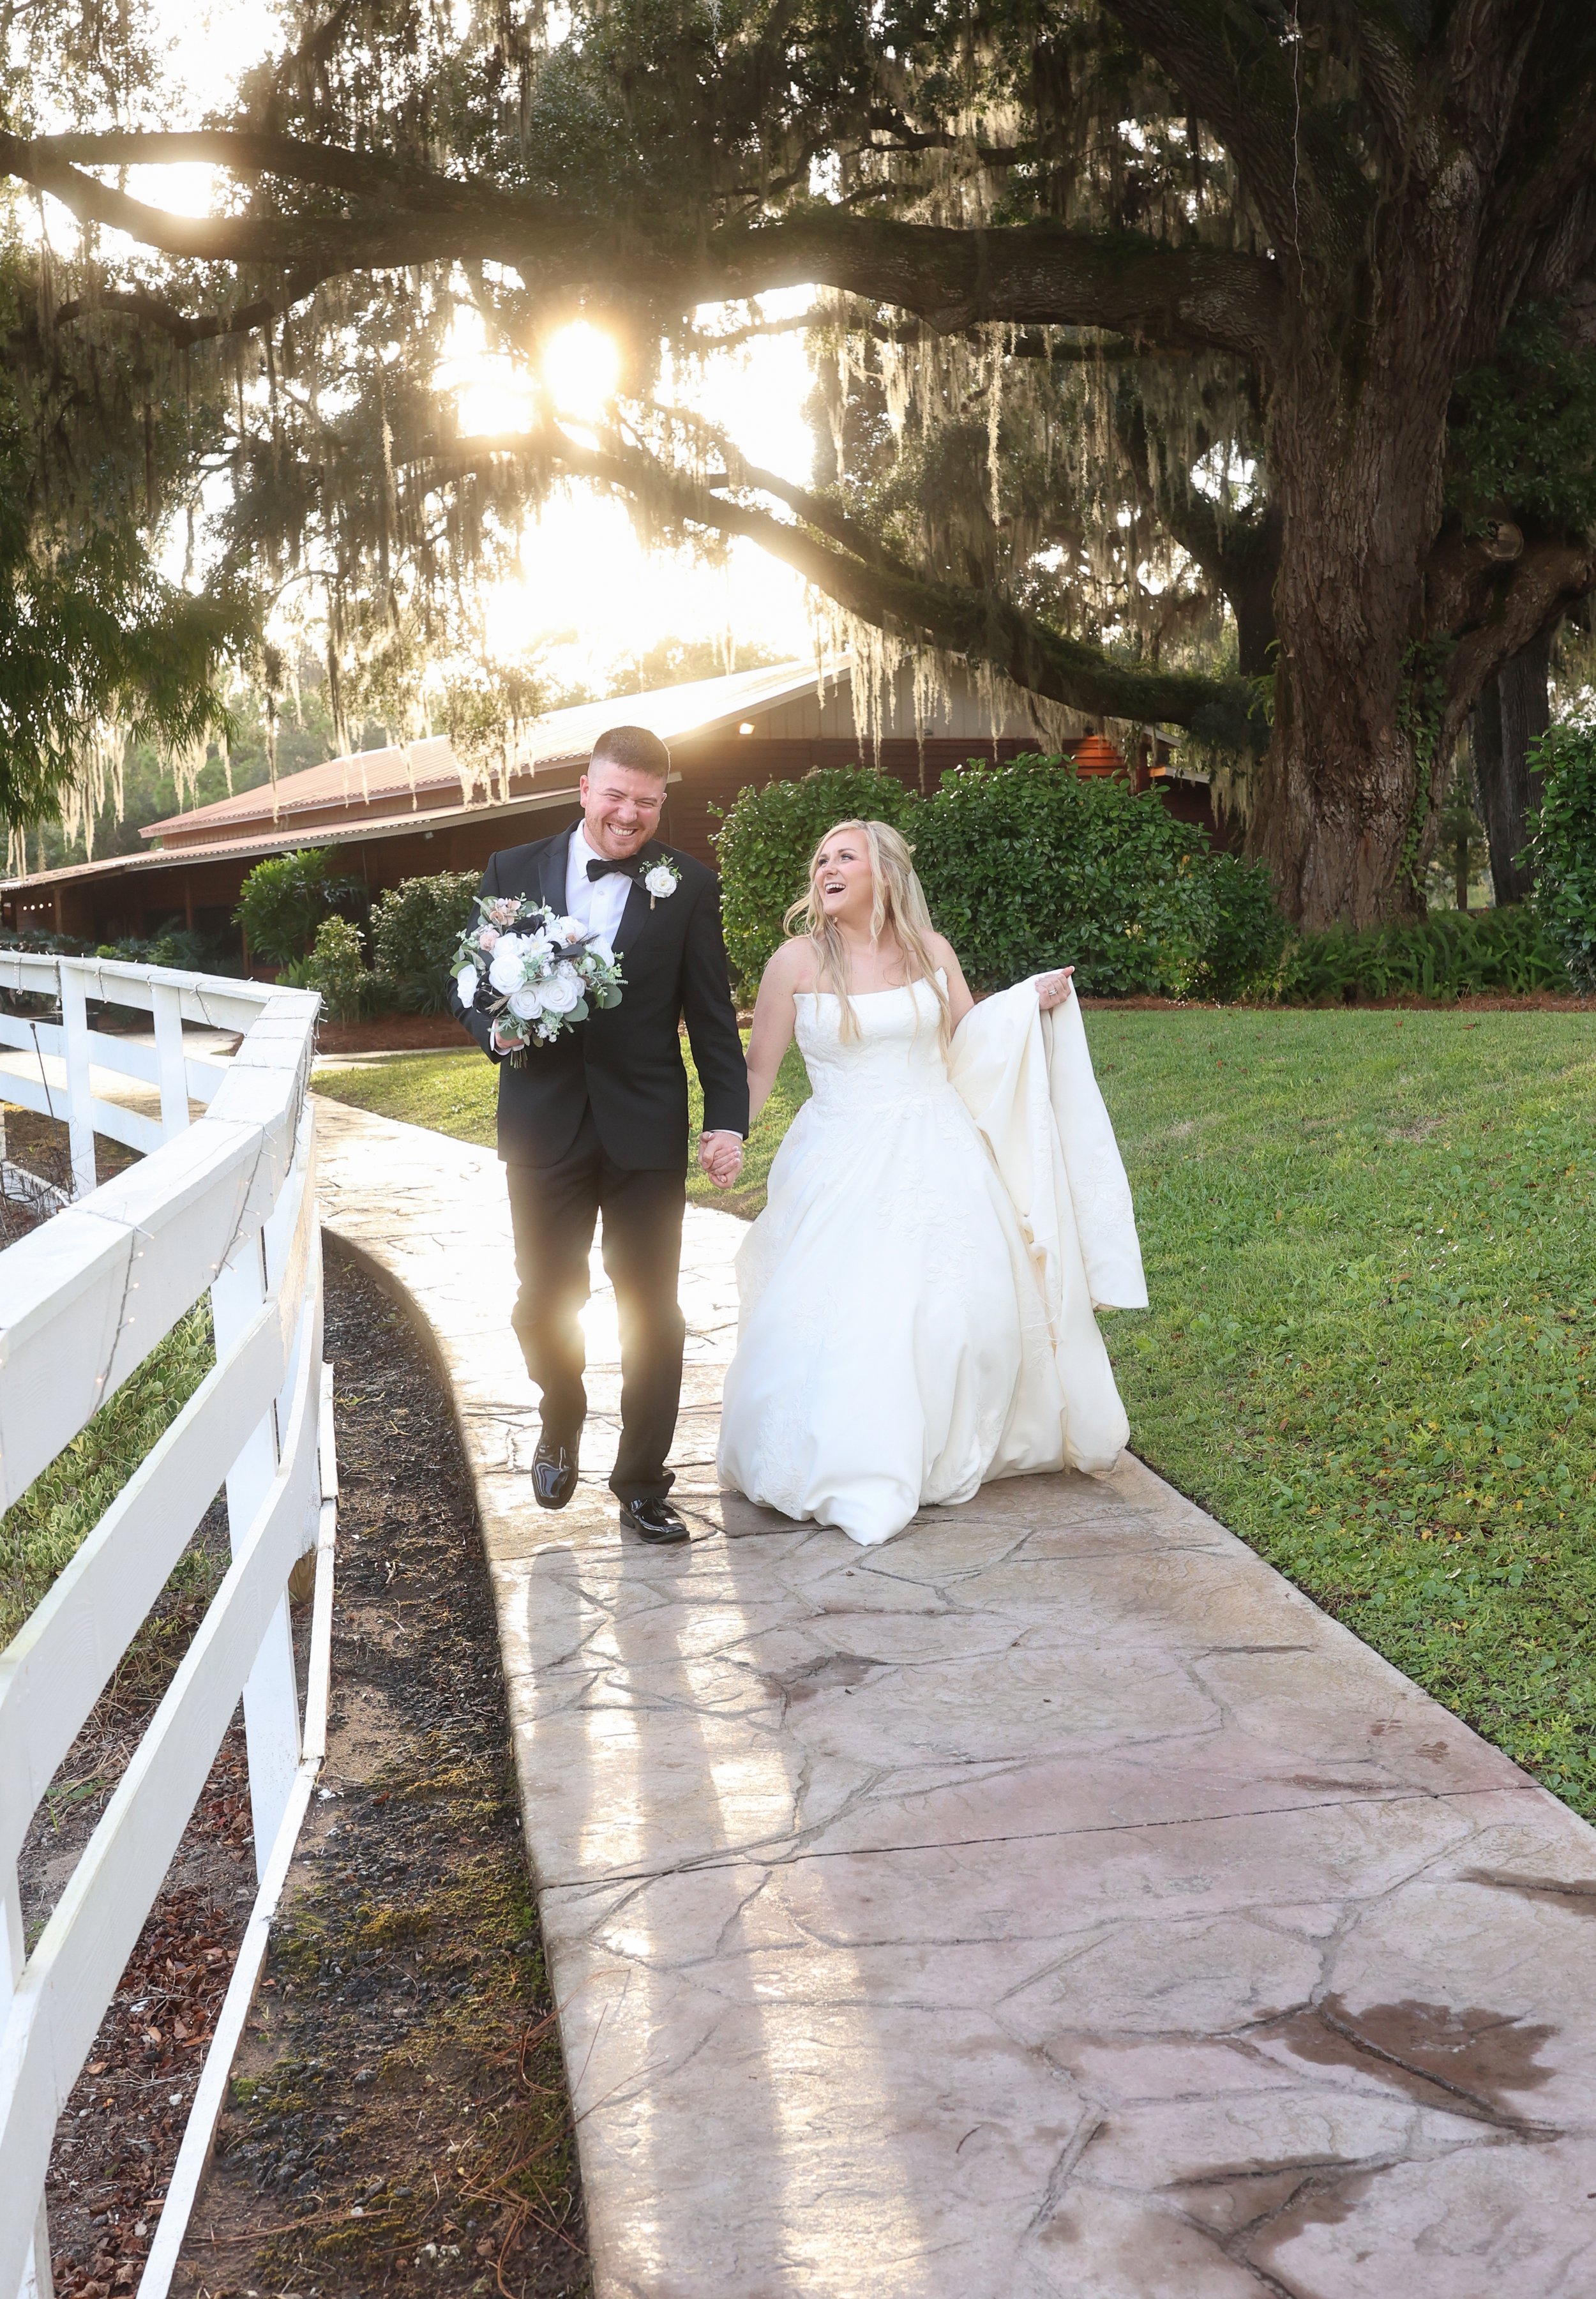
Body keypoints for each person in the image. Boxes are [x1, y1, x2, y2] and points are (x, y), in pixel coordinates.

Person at [717, 817, 1146, 1546]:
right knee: (853, 1311)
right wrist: (728, 1131)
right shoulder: (794, 961)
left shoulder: (929, 951)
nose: (826, 866)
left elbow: (972, 1041)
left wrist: (1025, 1002)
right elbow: (757, 1068)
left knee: (957, 1306)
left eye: (844, 856)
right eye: (820, 857)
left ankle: (942, 1444)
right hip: (841, 1155)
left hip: (937, 1149)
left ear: (883, 872)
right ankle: (853, 1457)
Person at [451, 725, 748, 1544]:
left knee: (655, 1310)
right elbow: (471, 984)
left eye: (646, 803)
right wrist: (494, 1031)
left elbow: (710, 1014)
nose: (628, 816)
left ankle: (644, 1481)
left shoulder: (687, 885)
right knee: (542, 1300)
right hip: (541, 1124)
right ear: (584, 788)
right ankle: (561, 1409)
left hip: (644, 1126)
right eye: (615, 796)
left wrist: (726, 1118)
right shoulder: (513, 870)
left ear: (662, 803)